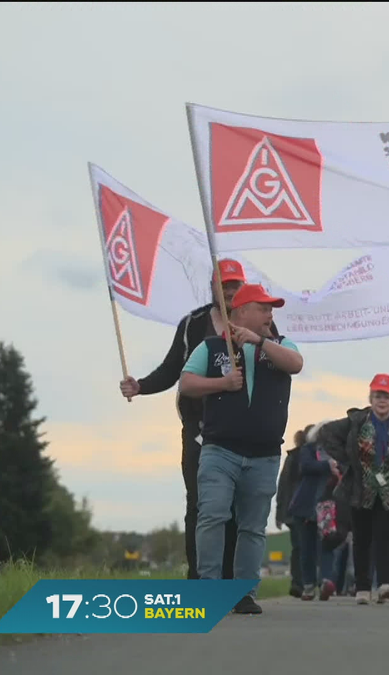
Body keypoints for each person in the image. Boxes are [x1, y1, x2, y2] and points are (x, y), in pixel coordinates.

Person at [119, 260, 262, 579]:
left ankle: (229, 580)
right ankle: (198, 579)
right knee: (200, 507)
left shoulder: (257, 322)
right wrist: (140, 386)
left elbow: (273, 363)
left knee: (235, 511)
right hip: (199, 434)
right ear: (212, 287)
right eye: (224, 284)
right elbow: (171, 370)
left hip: (243, 435)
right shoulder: (193, 325)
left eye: (235, 284)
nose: (230, 290)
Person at [178, 283, 303, 614]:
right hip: (220, 450)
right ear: (243, 311)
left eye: (271, 309)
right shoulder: (212, 346)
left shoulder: (278, 344)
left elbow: (296, 364)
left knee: (252, 525)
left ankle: (243, 592)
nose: (269, 314)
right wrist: (221, 384)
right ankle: (208, 588)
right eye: (263, 308)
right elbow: (186, 382)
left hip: (264, 454)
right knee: (213, 514)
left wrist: (261, 341)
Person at [317, 374, 389, 605]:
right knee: (362, 538)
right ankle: (362, 588)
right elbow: (326, 433)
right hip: (361, 488)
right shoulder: (357, 420)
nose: (382, 401)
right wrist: (348, 460)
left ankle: (386, 585)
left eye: (386, 396)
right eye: (377, 396)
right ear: (371, 397)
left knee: (385, 538)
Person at [290, 421, 339, 601]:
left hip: (327, 507)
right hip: (305, 506)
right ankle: (309, 585)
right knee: (306, 548)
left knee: (327, 544)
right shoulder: (308, 449)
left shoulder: (339, 452)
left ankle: (326, 581)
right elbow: (306, 466)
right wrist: (328, 466)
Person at [275, 425, 314, 597]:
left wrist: (279, 513)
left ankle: (300, 582)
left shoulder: (293, 457)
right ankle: (304, 582)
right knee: (304, 546)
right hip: (301, 509)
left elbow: (283, 485)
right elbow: (284, 485)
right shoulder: (307, 456)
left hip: (292, 510)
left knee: (298, 547)